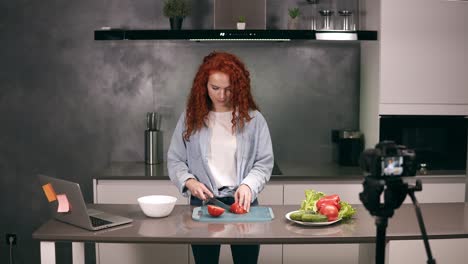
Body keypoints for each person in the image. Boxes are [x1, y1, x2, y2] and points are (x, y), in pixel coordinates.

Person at [167, 51, 274, 264]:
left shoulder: (254, 120)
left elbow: (263, 162)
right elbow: (176, 159)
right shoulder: (190, 118)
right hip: (203, 202)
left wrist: (248, 186)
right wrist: (189, 182)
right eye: (215, 88)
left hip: (244, 203)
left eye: (229, 89)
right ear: (203, 86)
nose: (222, 96)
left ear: (239, 88)